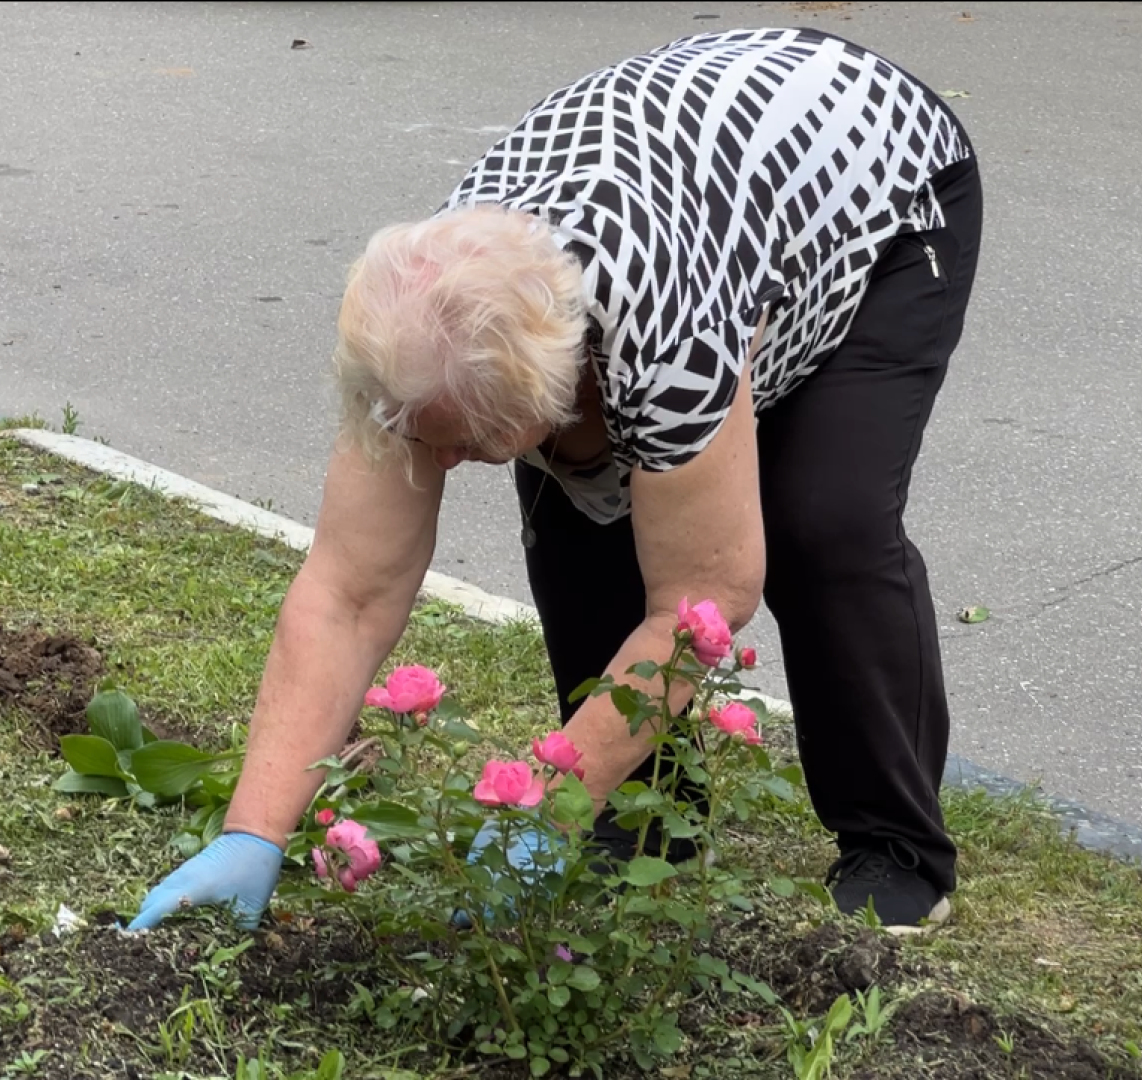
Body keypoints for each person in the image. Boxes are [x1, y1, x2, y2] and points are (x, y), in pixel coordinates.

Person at [126, 25, 982, 935]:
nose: (440, 464)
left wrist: (542, 795)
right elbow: (346, 590)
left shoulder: (668, 337)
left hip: (877, 190)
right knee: (582, 527)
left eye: (466, 444)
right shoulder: (413, 336)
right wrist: (252, 833)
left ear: (565, 379)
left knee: (823, 521)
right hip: (688, 194)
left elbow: (706, 601)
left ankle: (896, 844)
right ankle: (641, 824)